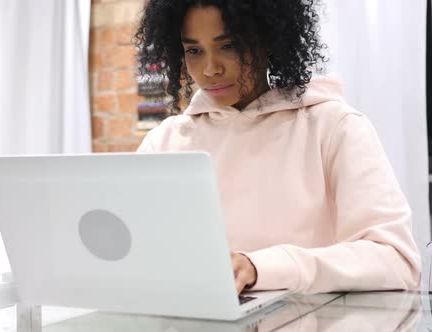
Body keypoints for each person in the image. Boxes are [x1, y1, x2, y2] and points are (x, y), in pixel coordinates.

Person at [133, 0, 421, 294]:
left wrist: (261, 268)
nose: (210, 68)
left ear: (267, 38)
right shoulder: (165, 144)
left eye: (229, 45)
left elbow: (396, 261)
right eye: (194, 50)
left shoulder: (334, 127)